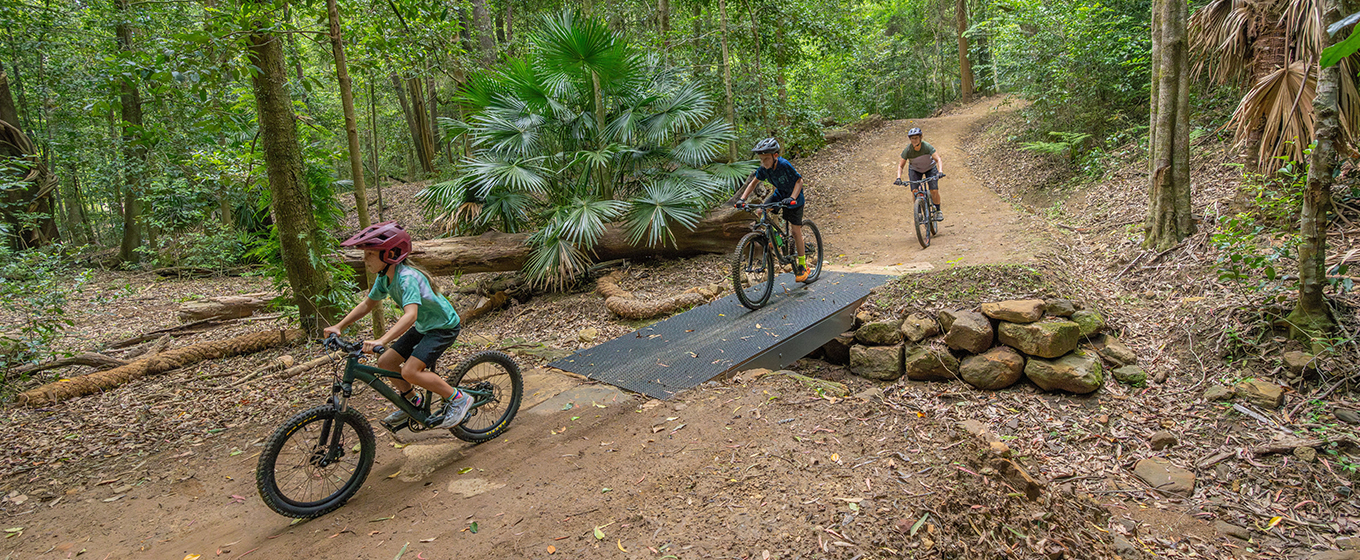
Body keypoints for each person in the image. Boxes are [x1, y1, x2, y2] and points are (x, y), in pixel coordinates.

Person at [323, 221, 471, 431]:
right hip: (424, 326)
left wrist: (382, 340)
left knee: (410, 372)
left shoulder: (407, 278)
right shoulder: (384, 277)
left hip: (443, 327)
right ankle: (412, 403)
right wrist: (339, 326)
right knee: (385, 361)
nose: (365, 260)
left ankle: (458, 399)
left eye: (370, 255)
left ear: (390, 253)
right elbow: (367, 304)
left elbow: (410, 316)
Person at [733, 137, 811, 282]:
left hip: (795, 198)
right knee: (760, 211)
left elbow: (799, 181)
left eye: (766, 159)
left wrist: (793, 197)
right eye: (761, 159)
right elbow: (753, 183)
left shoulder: (784, 165)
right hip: (779, 195)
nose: (763, 163)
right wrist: (742, 199)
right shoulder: (764, 169)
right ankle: (777, 238)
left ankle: (802, 265)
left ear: (775, 156)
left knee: (795, 231)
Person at [896, 127, 945, 220]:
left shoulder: (927, 146)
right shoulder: (908, 150)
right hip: (915, 170)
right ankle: (918, 212)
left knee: (934, 190)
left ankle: (938, 211)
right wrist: (898, 178)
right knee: (915, 191)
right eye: (912, 138)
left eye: (916, 138)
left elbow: (938, 159)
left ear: (920, 137)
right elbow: (900, 165)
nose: (914, 140)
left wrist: (940, 171)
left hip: (930, 168)